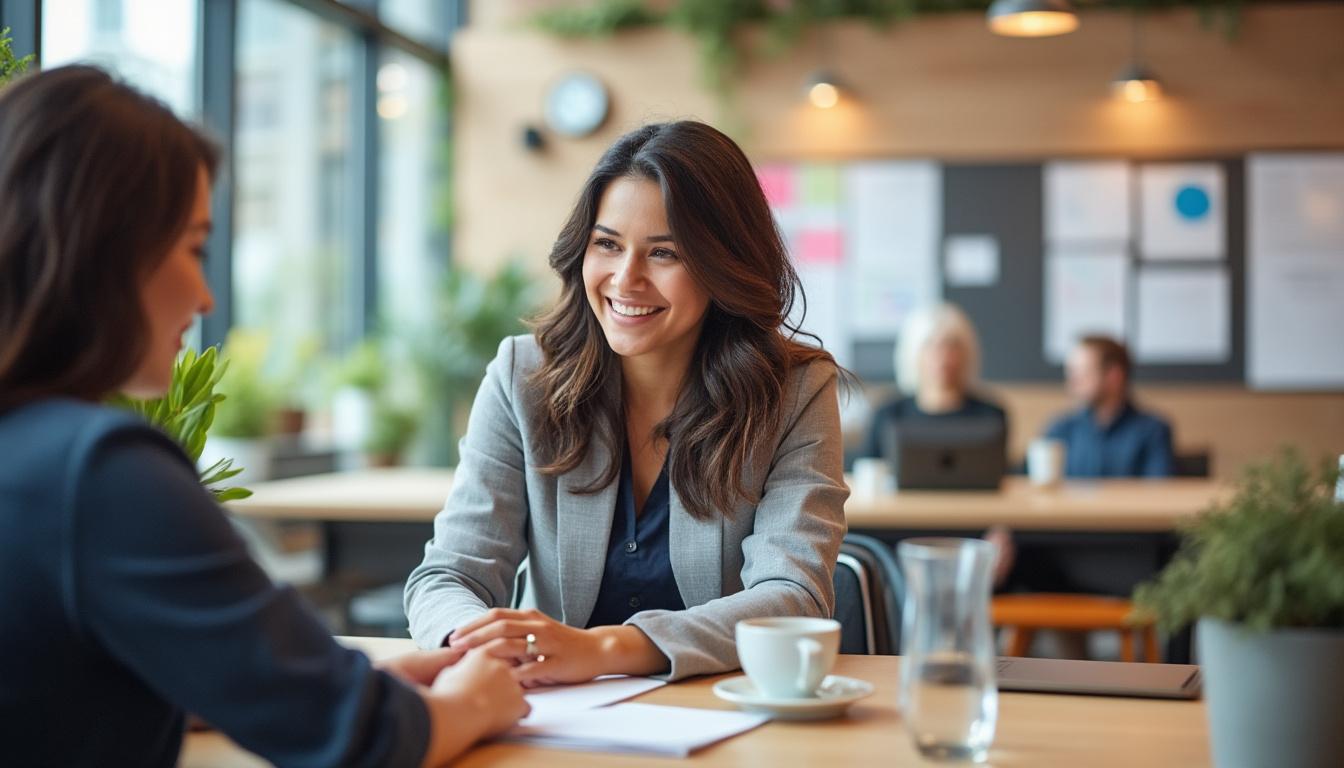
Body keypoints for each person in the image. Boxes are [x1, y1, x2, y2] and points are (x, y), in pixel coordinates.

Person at [0, 66, 527, 767]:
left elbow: (51, 687)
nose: (206, 297)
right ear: (102, 248)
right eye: (192, 247)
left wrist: (338, 683)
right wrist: (478, 700)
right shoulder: (96, 471)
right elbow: (358, 739)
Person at [404, 121, 849, 684]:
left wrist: (605, 650)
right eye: (607, 244)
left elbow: (793, 597)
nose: (625, 278)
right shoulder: (523, 377)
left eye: (664, 253)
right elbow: (448, 576)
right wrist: (478, 644)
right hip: (550, 713)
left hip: (723, 711)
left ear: (723, 265)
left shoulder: (796, 391)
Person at [858, 302, 1007, 460]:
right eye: (930, 345)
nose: (943, 357)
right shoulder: (888, 416)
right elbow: (866, 471)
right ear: (913, 354)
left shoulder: (990, 417)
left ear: (967, 354)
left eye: (952, 346)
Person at [1044, 335, 1174, 478]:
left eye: (1082, 373)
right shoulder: (1061, 430)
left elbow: (1160, 492)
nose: (1072, 382)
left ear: (1114, 376)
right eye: (1071, 372)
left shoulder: (1152, 431)